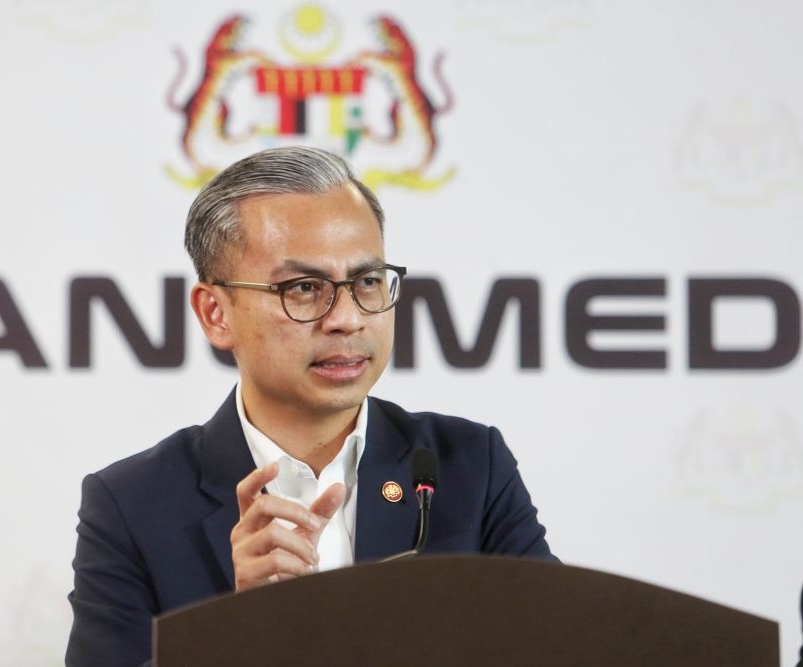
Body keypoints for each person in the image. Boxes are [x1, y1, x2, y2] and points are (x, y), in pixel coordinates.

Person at [65, 147, 555, 667]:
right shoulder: (132, 504)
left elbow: (562, 647)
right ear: (215, 314)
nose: (346, 318)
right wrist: (235, 634)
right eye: (303, 288)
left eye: (366, 281)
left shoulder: (469, 465)